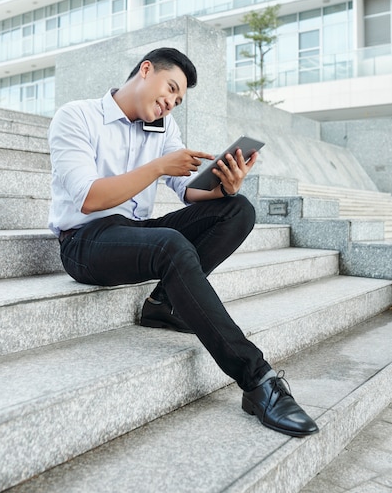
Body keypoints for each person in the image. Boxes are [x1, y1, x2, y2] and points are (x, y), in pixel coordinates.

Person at [48, 47, 318, 438]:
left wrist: (225, 185)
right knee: (169, 244)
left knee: (237, 209)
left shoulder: (163, 129)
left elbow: (188, 192)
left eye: (177, 100)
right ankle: (257, 381)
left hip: (134, 232)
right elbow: (90, 197)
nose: (169, 103)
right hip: (84, 242)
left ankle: (162, 305)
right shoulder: (77, 116)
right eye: (170, 89)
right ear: (145, 71)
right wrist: (158, 165)